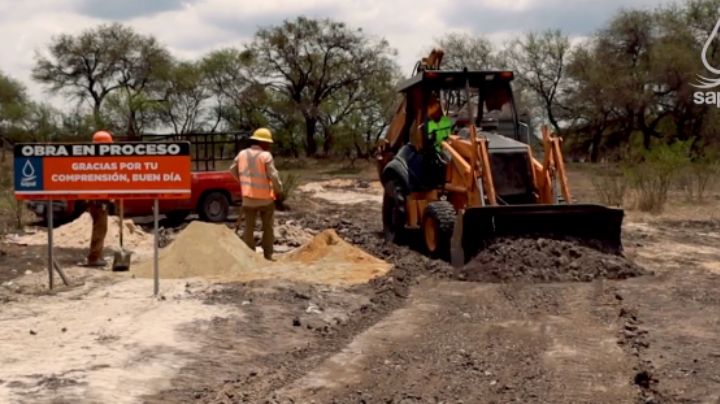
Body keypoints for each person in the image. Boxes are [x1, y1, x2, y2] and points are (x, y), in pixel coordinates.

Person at [230, 128, 283, 260]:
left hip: (248, 198)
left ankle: (250, 255)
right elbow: (273, 175)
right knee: (268, 227)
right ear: (262, 142)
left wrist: (242, 181)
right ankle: (268, 254)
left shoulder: (242, 154)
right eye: (268, 143)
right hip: (265, 199)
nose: (269, 146)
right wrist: (279, 189)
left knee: (248, 227)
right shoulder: (266, 156)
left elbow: (232, 169)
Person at [85, 130, 113, 267]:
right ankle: (94, 257)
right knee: (100, 229)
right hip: (98, 202)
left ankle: (97, 255)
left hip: (97, 201)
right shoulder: (99, 163)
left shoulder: (93, 161)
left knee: (101, 228)